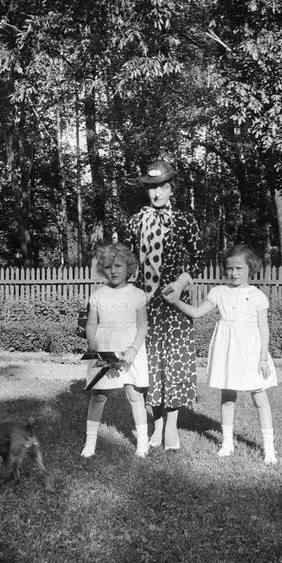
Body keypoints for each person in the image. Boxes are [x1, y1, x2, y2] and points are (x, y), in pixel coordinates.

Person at [164, 243, 278, 464]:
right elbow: (197, 312)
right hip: (228, 349)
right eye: (229, 268)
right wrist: (175, 300)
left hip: (251, 351)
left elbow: (264, 329)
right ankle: (227, 443)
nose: (233, 273)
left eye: (239, 268)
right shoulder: (219, 292)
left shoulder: (257, 296)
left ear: (250, 268)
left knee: (259, 397)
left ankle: (269, 448)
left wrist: (263, 358)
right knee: (227, 397)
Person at [123, 160, 205, 450]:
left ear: (172, 189)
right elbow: (127, 262)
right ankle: (156, 423)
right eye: (152, 188)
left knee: (175, 362)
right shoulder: (135, 222)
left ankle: (171, 426)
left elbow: (199, 259)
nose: (157, 193)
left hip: (174, 303)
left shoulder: (185, 221)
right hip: (145, 303)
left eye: (163, 187)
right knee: (150, 364)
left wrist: (182, 282)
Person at [81, 243, 149, 458]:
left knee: (134, 394)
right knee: (99, 395)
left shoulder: (137, 294)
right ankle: (90, 441)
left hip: (130, 347)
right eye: (109, 267)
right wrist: (92, 340)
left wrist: (133, 349)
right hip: (105, 347)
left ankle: (143, 442)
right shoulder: (98, 295)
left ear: (129, 267)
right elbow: (91, 323)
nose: (114, 271)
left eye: (118, 266)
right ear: (102, 269)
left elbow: (142, 326)